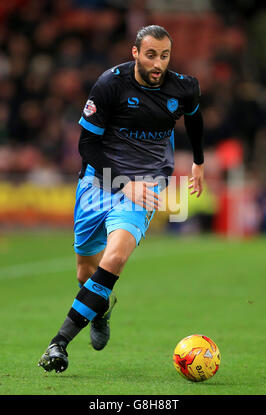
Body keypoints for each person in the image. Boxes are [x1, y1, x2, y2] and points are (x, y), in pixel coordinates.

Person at [38, 25, 204, 373]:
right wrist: (121, 182)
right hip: (97, 184)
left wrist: (199, 163)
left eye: (164, 55)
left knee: (113, 261)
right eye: (150, 55)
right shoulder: (110, 85)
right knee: (87, 273)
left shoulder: (183, 87)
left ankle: (59, 344)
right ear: (135, 53)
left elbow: (195, 117)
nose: (158, 63)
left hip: (145, 186)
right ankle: (99, 310)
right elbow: (87, 145)